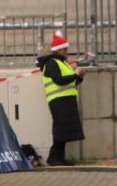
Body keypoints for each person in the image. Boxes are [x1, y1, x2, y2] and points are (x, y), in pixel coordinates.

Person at [37, 31, 86, 166]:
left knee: (65, 130)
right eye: (65, 49)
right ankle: (54, 158)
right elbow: (59, 80)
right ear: (59, 50)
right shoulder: (52, 63)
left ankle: (59, 158)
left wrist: (79, 77)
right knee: (60, 129)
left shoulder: (63, 63)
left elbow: (71, 82)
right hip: (58, 100)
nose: (67, 51)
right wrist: (75, 74)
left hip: (66, 100)